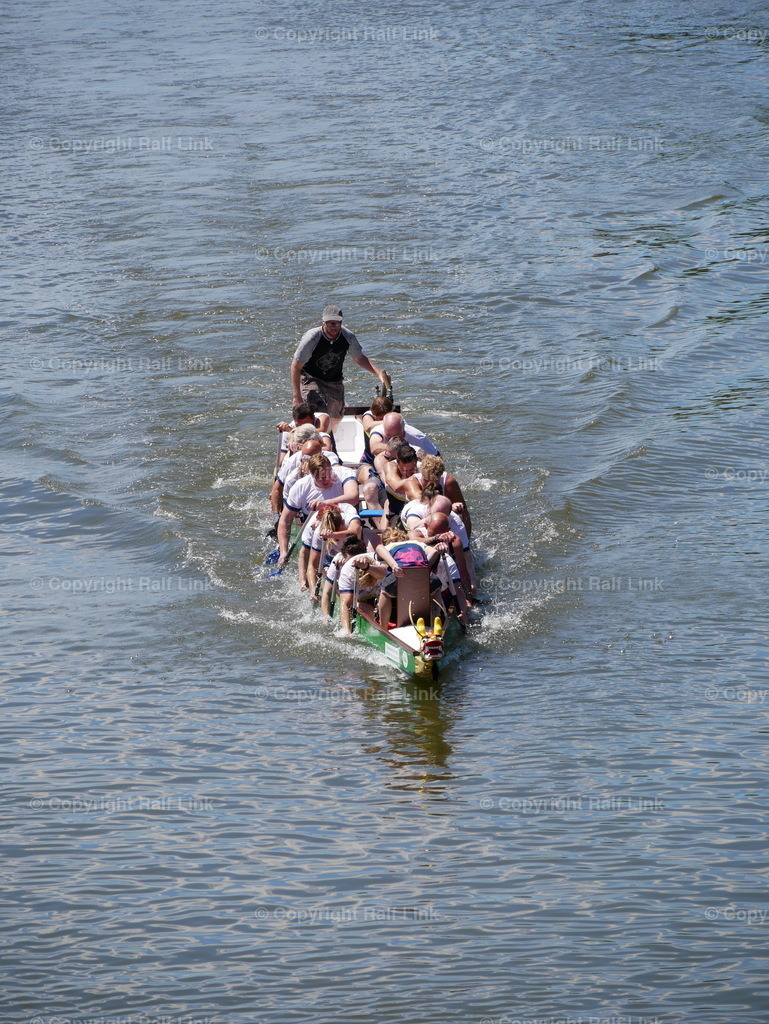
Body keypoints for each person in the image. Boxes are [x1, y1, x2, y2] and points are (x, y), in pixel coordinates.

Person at [291, 304, 390, 431]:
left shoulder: (348, 336)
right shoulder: (312, 338)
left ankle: (331, 436)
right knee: (320, 415)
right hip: (312, 378)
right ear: (324, 322)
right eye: (331, 323)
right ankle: (318, 442)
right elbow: (295, 366)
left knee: (336, 417)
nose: (335, 327)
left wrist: (378, 373)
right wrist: (296, 396)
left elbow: (359, 358)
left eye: (338, 323)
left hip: (334, 380)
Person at [277, 454, 360, 587]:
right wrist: (283, 551)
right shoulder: (301, 487)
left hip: (344, 528)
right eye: (321, 478)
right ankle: (306, 581)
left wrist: (325, 503)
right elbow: (285, 520)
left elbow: (354, 497)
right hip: (316, 531)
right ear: (312, 475)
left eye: (328, 474)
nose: (327, 479)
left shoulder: (343, 473)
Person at [374, 527, 445, 629]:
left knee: (385, 591)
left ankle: (383, 627)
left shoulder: (389, 545)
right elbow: (434, 552)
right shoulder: (416, 543)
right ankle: (435, 620)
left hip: (400, 572)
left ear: (386, 541)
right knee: (437, 588)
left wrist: (394, 566)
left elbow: (379, 548)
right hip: (424, 573)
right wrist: (423, 569)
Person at [303, 503, 362, 597]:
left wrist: (333, 535)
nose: (336, 539)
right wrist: (313, 590)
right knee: (327, 572)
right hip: (331, 554)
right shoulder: (320, 532)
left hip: (354, 548)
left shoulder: (349, 519)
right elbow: (312, 565)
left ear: (343, 522)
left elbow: (354, 532)